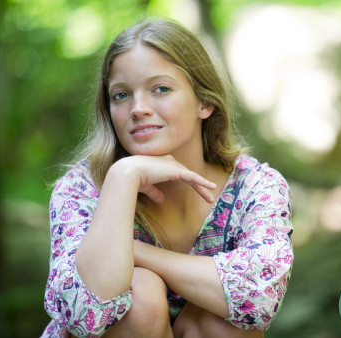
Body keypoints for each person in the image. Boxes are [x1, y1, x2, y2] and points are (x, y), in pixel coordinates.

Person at [42, 18, 293, 337]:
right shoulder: (82, 190)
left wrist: (138, 252)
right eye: (121, 95)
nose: (138, 108)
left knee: (220, 318)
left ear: (205, 101)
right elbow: (82, 317)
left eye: (160, 88)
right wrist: (123, 176)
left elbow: (258, 299)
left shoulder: (255, 185)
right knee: (141, 296)